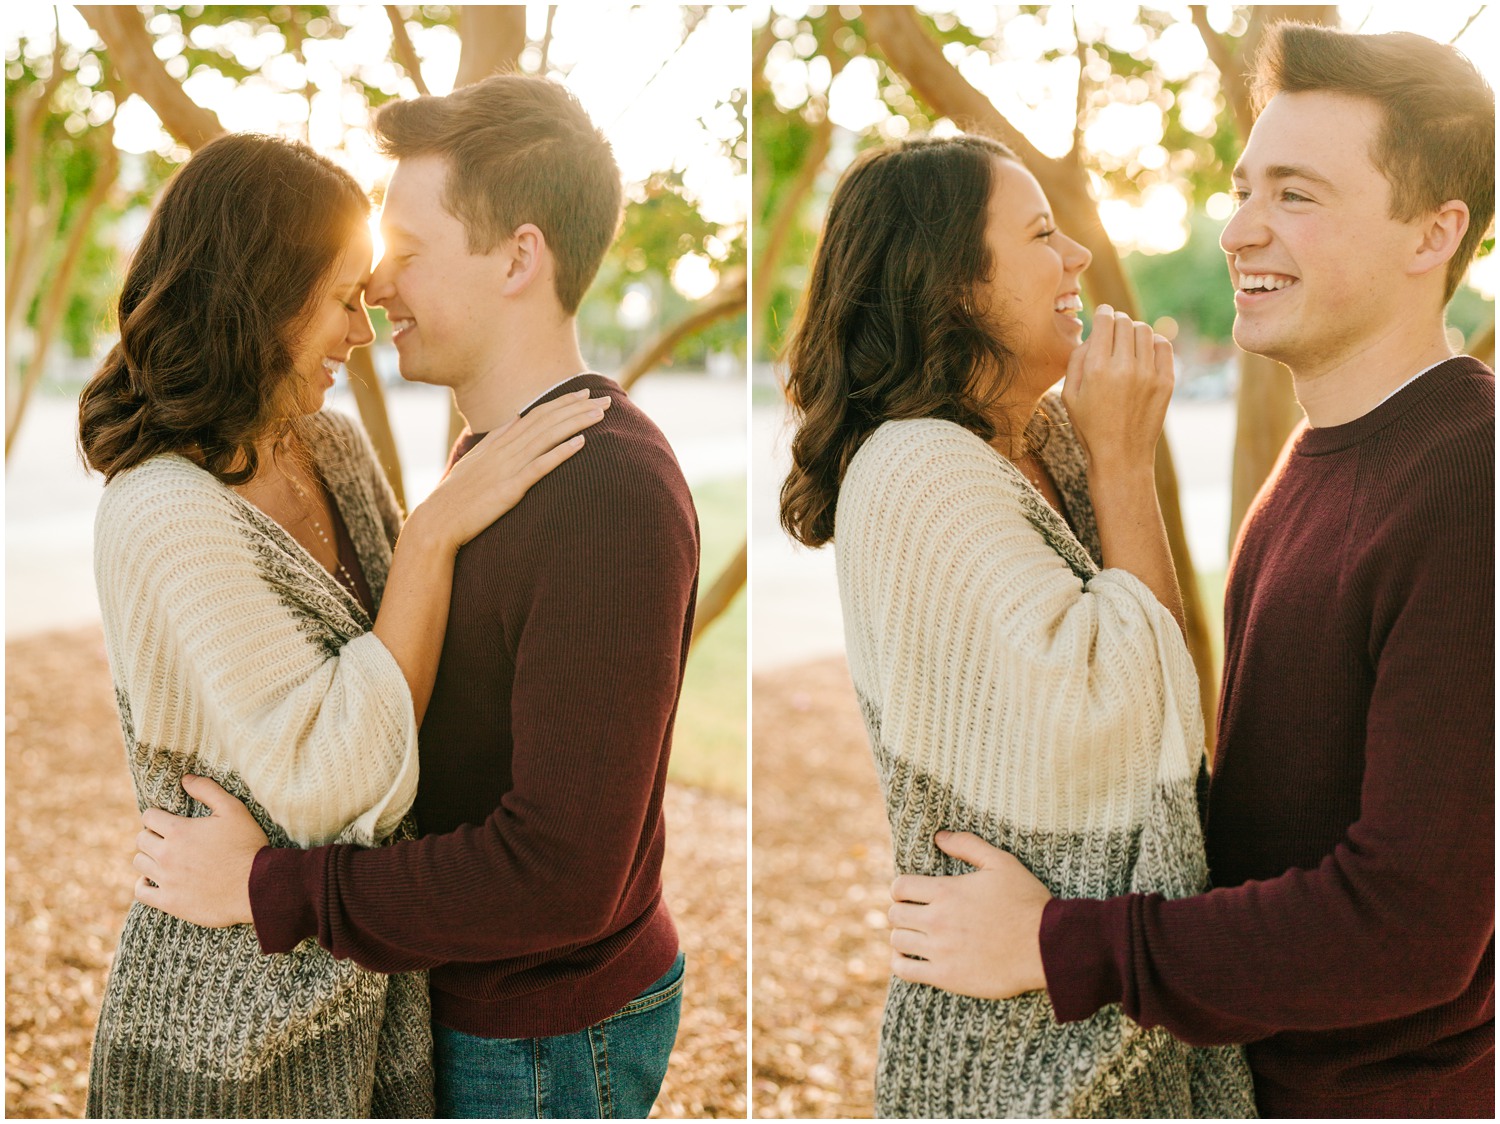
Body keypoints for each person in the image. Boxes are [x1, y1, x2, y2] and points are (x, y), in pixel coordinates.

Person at [888, 23, 1495, 1119]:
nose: (1241, 228)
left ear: (1432, 232)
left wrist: (1057, 942)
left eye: (1297, 195)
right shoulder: (1314, 462)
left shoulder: (1470, 482)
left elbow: (1411, 926)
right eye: (1244, 186)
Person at [132, 76, 701, 1119]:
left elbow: (563, 871)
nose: (379, 282)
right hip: (463, 1000)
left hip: (541, 1035)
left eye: (410, 246)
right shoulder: (494, 454)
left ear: (519, 257)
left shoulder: (608, 488)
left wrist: (276, 891)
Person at [777, 132, 1257, 1116]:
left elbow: (1161, 677)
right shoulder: (914, 469)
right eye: (1042, 233)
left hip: (1085, 995)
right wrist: (1125, 460)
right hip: (1013, 1053)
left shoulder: (1033, 437)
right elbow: (1120, 720)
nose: (1078, 254)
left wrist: (1105, 450)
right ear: (952, 284)